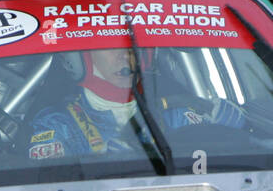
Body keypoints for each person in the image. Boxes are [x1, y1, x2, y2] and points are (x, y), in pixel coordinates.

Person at [25, 48, 247, 161]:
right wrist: (98, 168)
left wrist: (226, 131)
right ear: (81, 58)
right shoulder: (59, 126)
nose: (125, 56)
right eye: (110, 46)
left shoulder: (176, 112)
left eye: (131, 44)